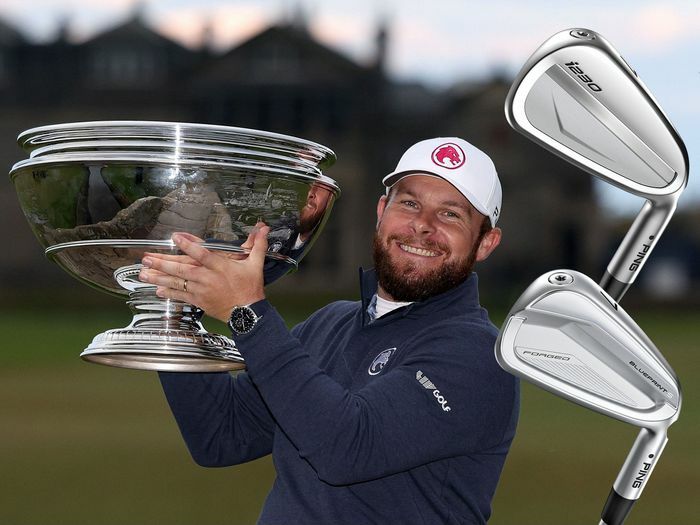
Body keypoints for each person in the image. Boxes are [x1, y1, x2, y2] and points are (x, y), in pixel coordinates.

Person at [139, 137, 520, 525]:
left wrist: (247, 312)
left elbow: (347, 448)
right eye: (409, 203)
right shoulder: (331, 324)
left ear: (486, 242)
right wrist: (173, 310)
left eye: (451, 215)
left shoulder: (480, 356)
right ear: (381, 210)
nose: (422, 226)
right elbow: (221, 435)